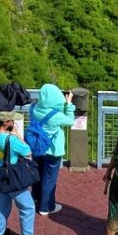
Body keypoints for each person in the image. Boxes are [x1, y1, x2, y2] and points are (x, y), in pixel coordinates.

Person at [0, 111, 47, 235]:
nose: (14, 122)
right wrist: (16, 134)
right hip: (11, 178)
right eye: (12, 120)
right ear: (6, 123)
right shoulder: (10, 140)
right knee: (28, 207)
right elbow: (28, 152)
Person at [29, 84, 76, 215]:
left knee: (37, 174)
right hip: (52, 150)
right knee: (49, 178)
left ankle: (36, 198)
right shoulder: (56, 116)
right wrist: (69, 104)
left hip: (37, 148)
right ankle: (46, 207)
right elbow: (70, 121)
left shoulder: (33, 108)